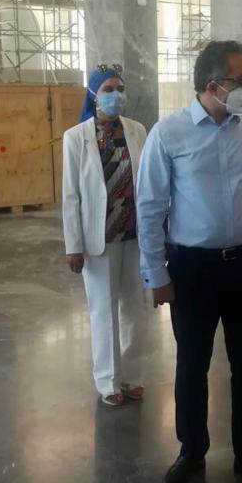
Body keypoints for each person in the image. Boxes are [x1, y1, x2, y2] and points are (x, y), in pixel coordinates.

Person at [137, 40, 242, 483]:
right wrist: (157, 274)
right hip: (193, 269)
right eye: (240, 80)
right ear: (212, 84)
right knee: (191, 366)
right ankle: (191, 451)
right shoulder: (169, 134)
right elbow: (150, 208)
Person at [62, 65, 148, 407]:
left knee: (134, 308)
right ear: (94, 95)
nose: (116, 95)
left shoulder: (137, 130)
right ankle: (109, 381)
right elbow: (71, 195)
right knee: (103, 310)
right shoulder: (76, 137)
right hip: (99, 236)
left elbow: (147, 181)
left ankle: (132, 375)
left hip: (134, 233)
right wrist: (73, 246)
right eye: (109, 89)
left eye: (120, 89)